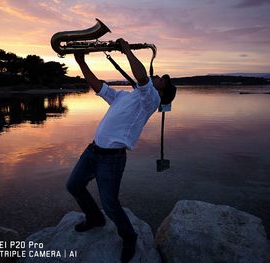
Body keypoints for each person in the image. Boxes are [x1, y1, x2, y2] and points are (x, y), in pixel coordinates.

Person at [66, 38, 176, 263]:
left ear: (161, 92)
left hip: (111, 159)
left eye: (162, 80)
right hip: (92, 152)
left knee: (111, 204)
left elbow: (143, 78)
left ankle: (129, 237)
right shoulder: (126, 96)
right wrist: (81, 62)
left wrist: (127, 51)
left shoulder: (151, 100)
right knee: (73, 185)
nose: (158, 76)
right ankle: (95, 219)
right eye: (160, 76)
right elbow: (98, 87)